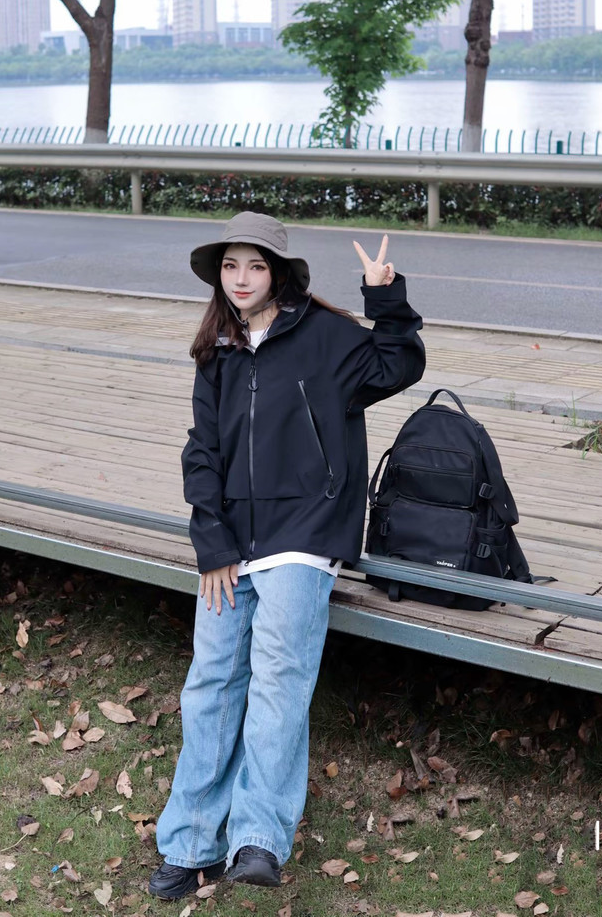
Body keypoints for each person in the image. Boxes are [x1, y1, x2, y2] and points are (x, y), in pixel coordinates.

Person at [149, 211, 425, 899]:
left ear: (278, 274)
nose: (241, 279)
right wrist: (212, 542)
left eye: (255, 266)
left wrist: (384, 295)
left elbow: (399, 364)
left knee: (277, 683)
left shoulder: (325, 336)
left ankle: (258, 841)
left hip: (304, 535)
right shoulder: (216, 350)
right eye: (230, 266)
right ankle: (190, 844)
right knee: (210, 686)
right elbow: (201, 453)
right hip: (230, 545)